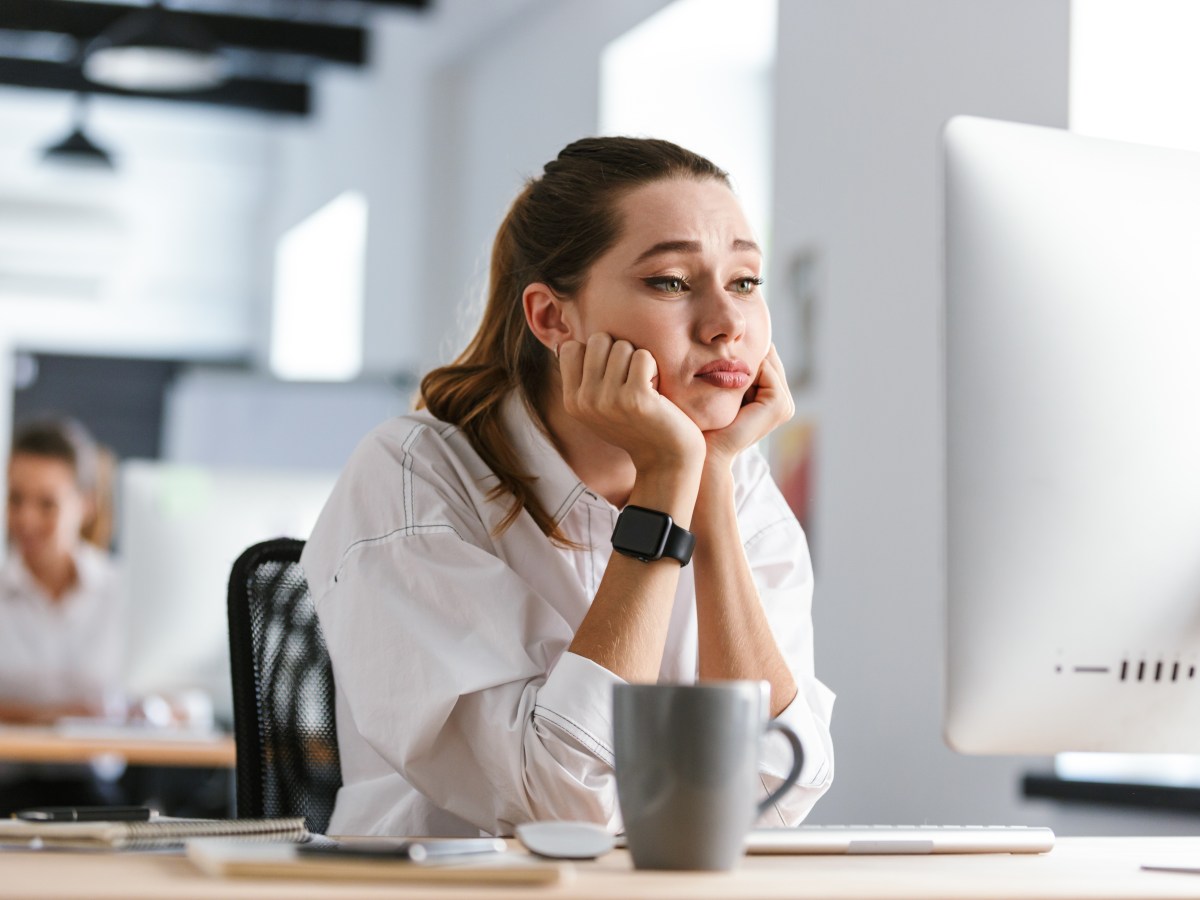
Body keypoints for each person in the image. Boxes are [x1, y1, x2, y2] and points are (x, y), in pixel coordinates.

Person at [301, 137, 835, 838]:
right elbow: (559, 805)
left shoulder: (734, 483)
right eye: (672, 281)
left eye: (743, 282)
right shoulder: (413, 478)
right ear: (554, 318)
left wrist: (705, 481)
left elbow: (776, 786)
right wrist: (666, 486)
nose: (728, 324)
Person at [0, 417, 125, 811]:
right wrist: (57, 717)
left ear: (85, 504)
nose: (26, 519)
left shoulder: (120, 591)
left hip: (94, 794)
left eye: (46, 503)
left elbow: (174, 697)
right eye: (15, 499)